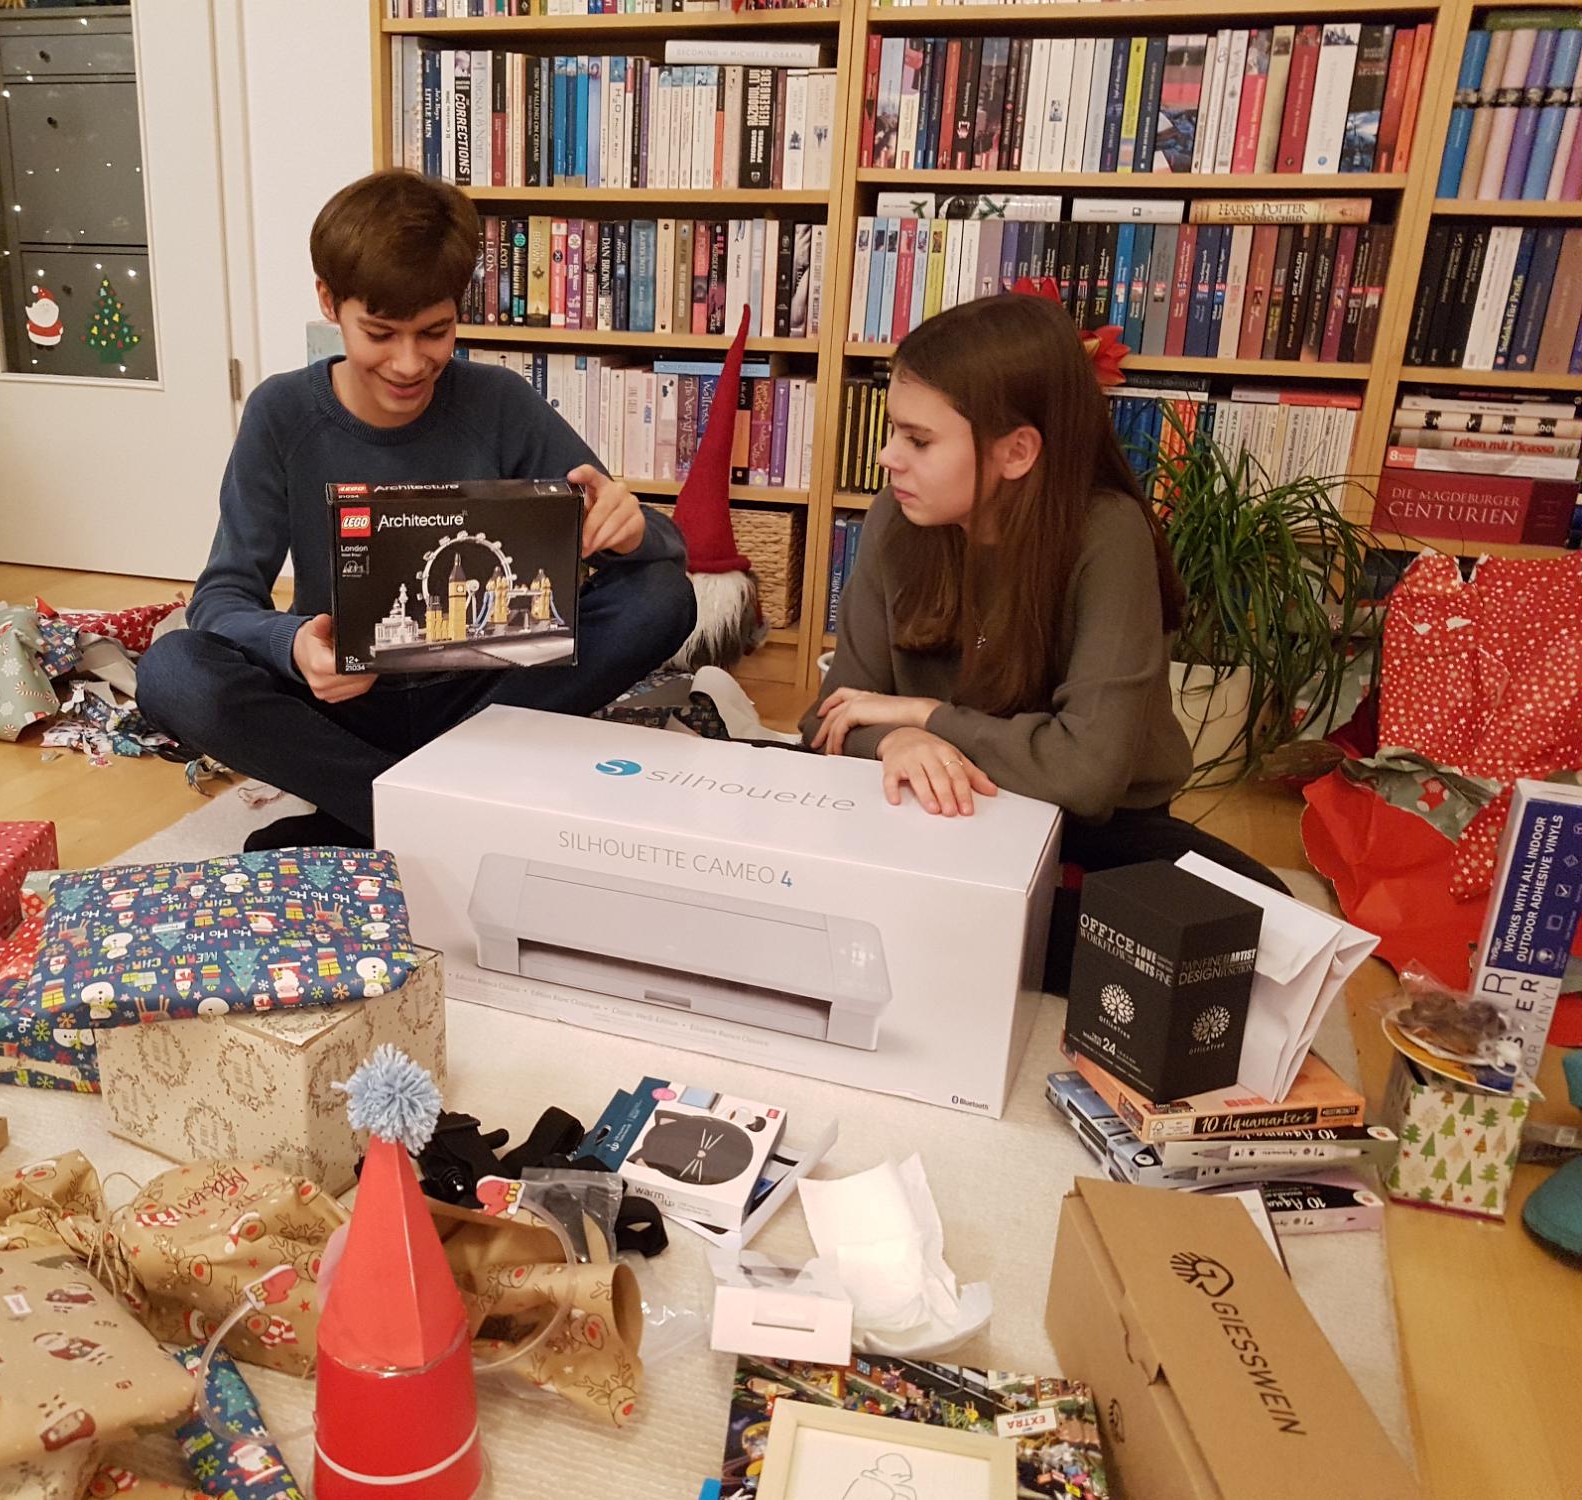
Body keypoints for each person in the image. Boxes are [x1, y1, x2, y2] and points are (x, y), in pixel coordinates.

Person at [139, 171, 694, 849]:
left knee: (662, 596)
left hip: (486, 700)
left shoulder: (499, 402)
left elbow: (660, 551)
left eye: (435, 332)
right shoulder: (281, 413)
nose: (409, 364)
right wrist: (293, 645)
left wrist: (630, 530)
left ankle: (369, 813)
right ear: (328, 301)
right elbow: (221, 598)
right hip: (343, 705)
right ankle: (418, 809)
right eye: (380, 333)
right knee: (172, 670)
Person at [798, 294, 1282, 990]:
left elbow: (1086, 777)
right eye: (894, 432)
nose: (887, 458)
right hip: (937, 806)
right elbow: (831, 717)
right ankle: (967, 935)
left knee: (1269, 927)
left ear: (1017, 451)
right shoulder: (896, 518)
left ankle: (948, 933)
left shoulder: (1108, 535)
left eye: (919, 440)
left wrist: (926, 717)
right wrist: (897, 742)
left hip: (1088, 828)